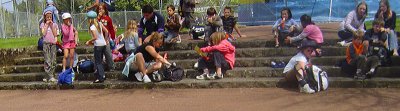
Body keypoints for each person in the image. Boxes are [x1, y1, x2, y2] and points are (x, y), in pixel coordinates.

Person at [85, 11, 109, 83]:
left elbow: (95, 37)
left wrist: (89, 41)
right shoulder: (100, 23)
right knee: (100, 61)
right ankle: (103, 75)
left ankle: (100, 77)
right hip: (103, 44)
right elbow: (107, 31)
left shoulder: (92, 26)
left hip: (98, 45)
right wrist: (105, 40)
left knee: (98, 62)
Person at [40, 10, 59, 83]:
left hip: (53, 43)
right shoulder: (43, 24)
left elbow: (55, 34)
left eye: (50, 17)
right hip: (46, 43)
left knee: (53, 60)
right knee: (47, 60)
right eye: (47, 17)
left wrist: (51, 26)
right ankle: (49, 76)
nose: (49, 18)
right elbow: (43, 33)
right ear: (45, 17)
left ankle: (51, 75)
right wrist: (47, 25)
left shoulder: (54, 24)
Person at [97, 3, 115, 71]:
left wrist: (113, 38)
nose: (100, 10)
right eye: (99, 9)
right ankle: (98, 67)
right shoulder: (97, 18)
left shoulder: (108, 18)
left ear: (105, 10)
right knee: (99, 54)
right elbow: (95, 25)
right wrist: (98, 17)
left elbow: (111, 29)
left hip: (106, 38)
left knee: (108, 53)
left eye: (102, 9)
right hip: (99, 38)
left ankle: (111, 66)